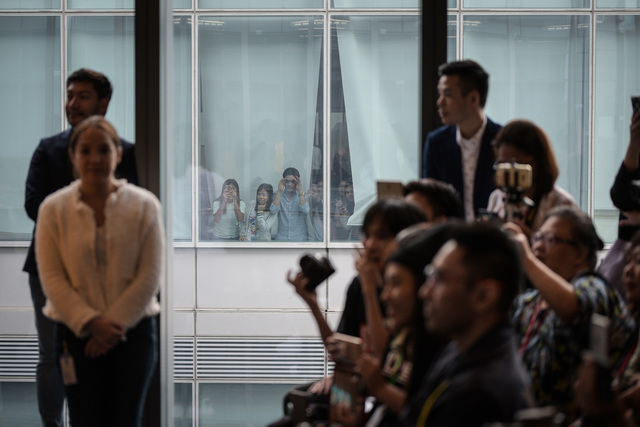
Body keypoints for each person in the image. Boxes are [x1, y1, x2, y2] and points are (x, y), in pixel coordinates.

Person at [23, 68, 137, 427]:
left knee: (108, 349)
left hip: (112, 269)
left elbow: (135, 212)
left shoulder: (127, 153)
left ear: (103, 102)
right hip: (50, 268)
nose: (72, 103)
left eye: (82, 96)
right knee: (52, 355)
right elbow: (33, 205)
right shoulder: (48, 148)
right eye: (70, 95)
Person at [35, 116, 162, 426]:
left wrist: (112, 326)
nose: (95, 159)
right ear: (73, 156)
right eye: (85, 150)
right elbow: (52, 277)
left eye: (104, 150)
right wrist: (91, 323)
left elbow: (150, 274)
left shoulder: (145, 205)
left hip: (133, 334)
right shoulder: (52, 209)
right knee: (84, 420)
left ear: (118, 155)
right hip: (76, 336)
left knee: (126, 420)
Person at [506, 206, 635, 423]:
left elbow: (574, 308)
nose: (537, 246)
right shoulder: (529, 301)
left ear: (580, 253)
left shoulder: (594, 287)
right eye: (537, 237)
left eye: (551, 239)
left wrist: (527, 259)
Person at [401, 222, 532, 426]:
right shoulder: (459, 349)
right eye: (430, 275)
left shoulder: (479, 395)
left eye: (439, 278)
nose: (424, 292)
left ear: (484, 296)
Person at [355, 223, 454, 426]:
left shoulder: (446, 355)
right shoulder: (407, 333)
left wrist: (381, 388)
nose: (385, 295)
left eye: (396, 282)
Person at [574, 229, 640, 427]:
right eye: (629, 261)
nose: (628, 270)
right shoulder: (628, 322)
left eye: (639, 262)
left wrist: (610, 407)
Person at [422, 60, 501, 221]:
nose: (440, 102)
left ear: (473, 99)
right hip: (450, 239)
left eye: (448, 94)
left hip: (495, 241)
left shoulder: (503, 140)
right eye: (440, 93)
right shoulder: (436, 142)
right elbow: (431, 201)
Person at [486, 119, 578, 238]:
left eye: (516, 165)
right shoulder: (497, 198)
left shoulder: (561, 203)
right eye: (503, 165)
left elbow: (569, 252)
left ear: (537, 164)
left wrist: (532, 238)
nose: (510, 173)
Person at [272, 167, 310, 241]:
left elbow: (306, 210)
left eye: (293, 181)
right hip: (281, 238)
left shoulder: (303, 195)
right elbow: (273, 210)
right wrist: (279, 191)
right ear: (283, 182)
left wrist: (300, 190)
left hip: (299, 238)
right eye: (287, 181)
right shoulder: (278, 195)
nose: (289, 184)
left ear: (297, 182)